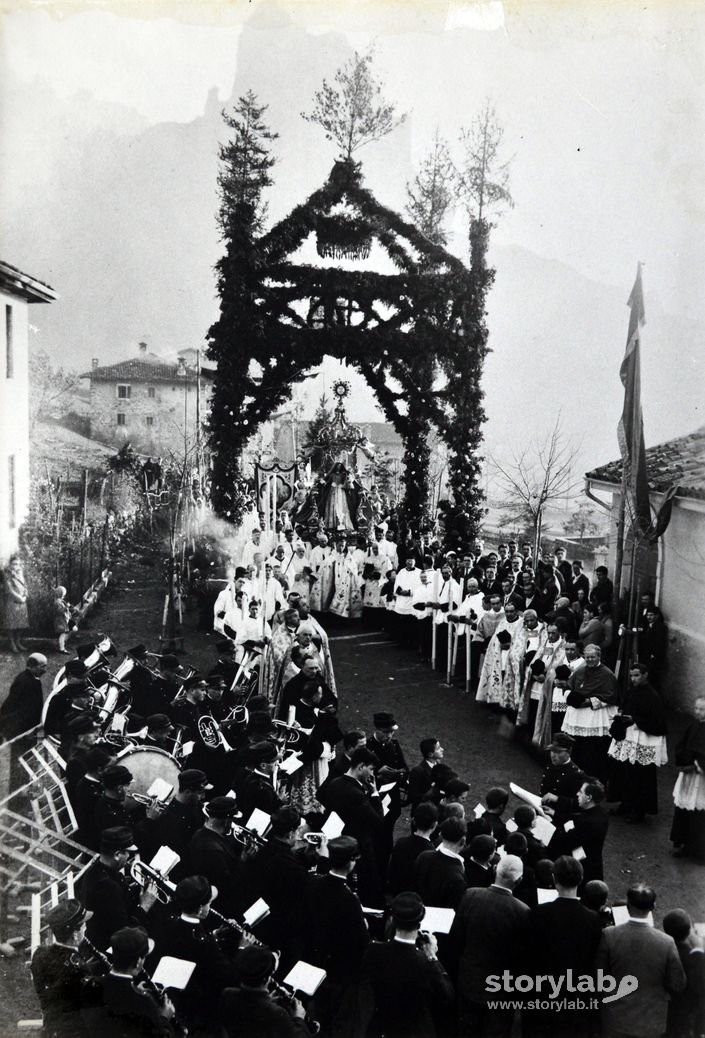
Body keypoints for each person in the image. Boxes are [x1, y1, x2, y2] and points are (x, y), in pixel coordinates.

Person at [448, 855, 530, 1038]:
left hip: (469, 980)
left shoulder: (471, 895)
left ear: (495, 870)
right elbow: (521, 957)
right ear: (519, 880)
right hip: (500, 990)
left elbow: (456, 939)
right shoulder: (523, 911)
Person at [527, 856, 603, 1038]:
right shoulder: (593, 919)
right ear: (581, 879)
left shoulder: (538, 913)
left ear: (554, 879)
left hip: (541, 994)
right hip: (576, 996)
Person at [360, 891, 454, 1038]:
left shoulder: (373, 951)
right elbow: (447, 995)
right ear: (420, 923)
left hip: (383, 1026)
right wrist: (433, 956)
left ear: (393, 920)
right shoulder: (424, 963)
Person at [596, 884, 686, 1038]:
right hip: (651, 1024)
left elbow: (599, 978)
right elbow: (678, 984)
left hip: (616, 1019)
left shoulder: (609, 935)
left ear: (628, 906)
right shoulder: (666, 942)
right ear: (654, 906)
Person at [306, 836, 370, 1036]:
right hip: (342, 967)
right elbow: (361, 941)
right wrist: (364, 924)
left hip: (318, 954)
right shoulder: (348, 899)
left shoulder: (315, 883)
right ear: (351, 862)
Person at [317, 746, 385, 907]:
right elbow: (378, 822)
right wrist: (374, 794)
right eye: (370, 769)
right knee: (366, 890)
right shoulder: (356, 793)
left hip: (336, 841)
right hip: (359, 847)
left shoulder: (335, 783)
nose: (372, 774)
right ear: (361, 767)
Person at [608, 663, 668, 822]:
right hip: (629, 737)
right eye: (632, 675)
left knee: (640, 775)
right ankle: (625, 805)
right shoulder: (631, 691)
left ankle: (639, 810)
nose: (633, 679)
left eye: (637, 675)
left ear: (645, 675)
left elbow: (658, 721)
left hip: (643, 739)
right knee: (624, 771)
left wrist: (635, 719)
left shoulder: (652, 696)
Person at [31, 899, 96, 1038]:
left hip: (51, 1025)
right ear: (75, 934)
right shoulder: (79, 968)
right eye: (84, 925)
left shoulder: (39, 954)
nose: (86, 928)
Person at [98, 926, 178, 1037]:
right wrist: (164, 1018)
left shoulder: (97, 983)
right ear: (138, 962)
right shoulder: (144, 1003)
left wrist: (135, 989)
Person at [219, 945, 309, 1038]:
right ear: (267, 979)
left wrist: (267, 1001)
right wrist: (299, 1018)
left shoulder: (228, 994)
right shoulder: (277, 1014)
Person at [79, 827, 143, 949]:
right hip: (112, 945)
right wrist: (144, 906)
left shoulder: (96, 870)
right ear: (117, 855)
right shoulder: (106, 886)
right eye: (127, 852)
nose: (129, 856)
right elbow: (125, 930)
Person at [562, 644, 618, 781]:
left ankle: (593, 782)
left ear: (599, 657)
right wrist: (571, 697)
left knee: (593, 752)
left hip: (595, 718)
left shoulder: (607, 674)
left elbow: (610, 696)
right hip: (578, 717)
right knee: (578, 749)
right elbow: (569, 686)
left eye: (593, 657)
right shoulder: (580, 671)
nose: (590, 660)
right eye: (587, 657)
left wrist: (586, 702)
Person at [549, 778, 609, 883]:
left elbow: (566, 840)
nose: (577, 794)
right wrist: (554, 813)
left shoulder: (590, 822)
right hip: (589, 864)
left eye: (581, 792)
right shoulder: (598, 812)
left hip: (582, 870)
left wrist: (548, 823)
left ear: (588, 798)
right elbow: (573, 819)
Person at [670, 696, 705, 860]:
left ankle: (698, 849)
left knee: (699, 811)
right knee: (685, 810)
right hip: (688, 775)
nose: (698, 712)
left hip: (700, 777)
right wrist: (683, 761)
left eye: (702, 709)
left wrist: (697, 764)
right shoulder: (693, 725)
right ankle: (684, 844)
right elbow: (682, 745)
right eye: (697, 708)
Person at [661, 909, 705, 1038]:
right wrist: (698, 949)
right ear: (689, 931)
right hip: (686, 1022)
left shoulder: (664, 953)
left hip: (665, 1017)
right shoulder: (696, 958)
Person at [414, 817, 468, 910]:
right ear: (463, 840)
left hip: (417, 911)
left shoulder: (423, 856)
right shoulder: (458, 877)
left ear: (441, 835)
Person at [387, 802, 439, 896]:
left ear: (414, 821)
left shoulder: (401, 843)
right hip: (415, 899)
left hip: (397, 894)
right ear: (435, 825)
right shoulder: (431, 853)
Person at [0, 652, 47, 750]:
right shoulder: (24, 682)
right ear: (33, 666)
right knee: (20, 756)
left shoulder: (31, 679)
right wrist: (26, 731)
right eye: (42, 667)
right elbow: (13, 706)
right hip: (22, 730)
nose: (45, 670)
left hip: (28, 729)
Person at [540, 732, 586, 817]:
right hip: (541, 809)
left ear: (568, 752)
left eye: (558, 752)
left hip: (558, 817)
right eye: (552, 751)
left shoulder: (576, 774)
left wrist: (558, 799)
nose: (553, 755)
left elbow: (579, 804)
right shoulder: (550, 764)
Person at [407, 738, 456, 808]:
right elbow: (413, 797)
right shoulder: (417, 771)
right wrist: (429, 794)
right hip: (424, 812)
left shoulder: (440, 767)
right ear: (430, 754)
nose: (442, 749)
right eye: (438, 748)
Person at [1, 554, 29, 652]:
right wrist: (19, 598)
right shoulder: (6, 574)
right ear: (9, 564)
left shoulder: (20, 572)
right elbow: (9, 589)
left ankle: (18, 641)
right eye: (13, 564)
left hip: (22, 602)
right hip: (12, 601)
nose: (15, 566)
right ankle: (12, 643)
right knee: (11, 624)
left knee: (21, 624)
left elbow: (25, 585)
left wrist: (25, 596)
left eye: (17, 564)